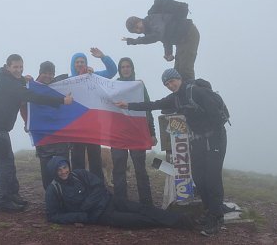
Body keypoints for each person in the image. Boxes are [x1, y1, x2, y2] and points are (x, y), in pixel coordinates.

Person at [115, 68, 228, 236]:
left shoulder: (196, 92)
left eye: (172, 81)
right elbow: (153, 105)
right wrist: (128, 105)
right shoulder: (174, 98)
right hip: (197, 140)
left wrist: (210, 136)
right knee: (199, 177)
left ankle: (216, 217)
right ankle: (209, 211)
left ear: (179, 78)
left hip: (214, 139)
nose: (170, 85)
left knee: (212, 178)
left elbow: (217, 119)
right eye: (167, 84)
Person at [0, 54, 73, 213]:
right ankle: (3, 201)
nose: (18, 70)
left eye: (20, 67)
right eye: (15, 67)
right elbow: (33, 97)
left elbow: (17, 82)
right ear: (8, 67)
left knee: (9, 164)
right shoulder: (7, 83)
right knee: (5, 166)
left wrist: (22, 79)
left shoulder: (8, 78)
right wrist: (61, 101)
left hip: (0, 130)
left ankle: (12, 195)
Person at [45, 155, 194, 230]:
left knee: (142, 208)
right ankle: (173, 223)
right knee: (136, 220)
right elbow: (53, 216)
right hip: (100, 216)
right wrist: (79, 216)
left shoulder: (79, 174)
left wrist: (85, 205)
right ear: (54, 172)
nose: (64, 171)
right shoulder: (53, 190)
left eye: (65, 167)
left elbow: (99, 186)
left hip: (110, 200)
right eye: (59, 170)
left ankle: (181, 220)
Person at [111, 57, 157, 205]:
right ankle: (120, 202)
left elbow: (147, 108)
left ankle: (146, 202)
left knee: (140, 169)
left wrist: (152, 133)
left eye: (128, 66)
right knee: (118, 169)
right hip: (118, 133)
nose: (125, 69)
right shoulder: (113, 86)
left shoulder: (139, 85)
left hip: (137, 132)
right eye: (123, 67)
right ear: (119, 69)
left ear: (132, 68)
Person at [122, 0, 199, 82]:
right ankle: (182, 92)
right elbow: (165, 38)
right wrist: (168, 53)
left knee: (185, 68)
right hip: (180, 41)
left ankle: (191, 91)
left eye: (137, 27)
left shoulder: (151, 20)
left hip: (189, 33)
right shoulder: (149, 30)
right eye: (135, 31)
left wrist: (134, 41)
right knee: (177, 71)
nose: (138, 30)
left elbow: (158, 35)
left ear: (139, 20)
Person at [20, 61, 70, 190]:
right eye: (45, 73)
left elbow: (76, 80)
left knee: (63, 165)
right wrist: (27, 122)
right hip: (42, 134)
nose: (48, 76)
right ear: (40, 73)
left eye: (51, 73)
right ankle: (50, 194)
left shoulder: (58, 86)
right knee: (46, 166)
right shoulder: (30, 87)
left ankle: (66, 194)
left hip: (60, 134)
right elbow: (24, 107)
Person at [69, 48, 117, 180]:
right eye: (77, 62)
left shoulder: (93, 76)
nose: (80, 64)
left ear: (86, 63)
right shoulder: (67, 81)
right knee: (78, 159)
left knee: (95, 158)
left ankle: (97, 187)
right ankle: (78, 185)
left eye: (82, 61)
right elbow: (50, 88)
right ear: (73, 64)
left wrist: (103, 57)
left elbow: (112, 71)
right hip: (76, 127)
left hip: (93, 126)